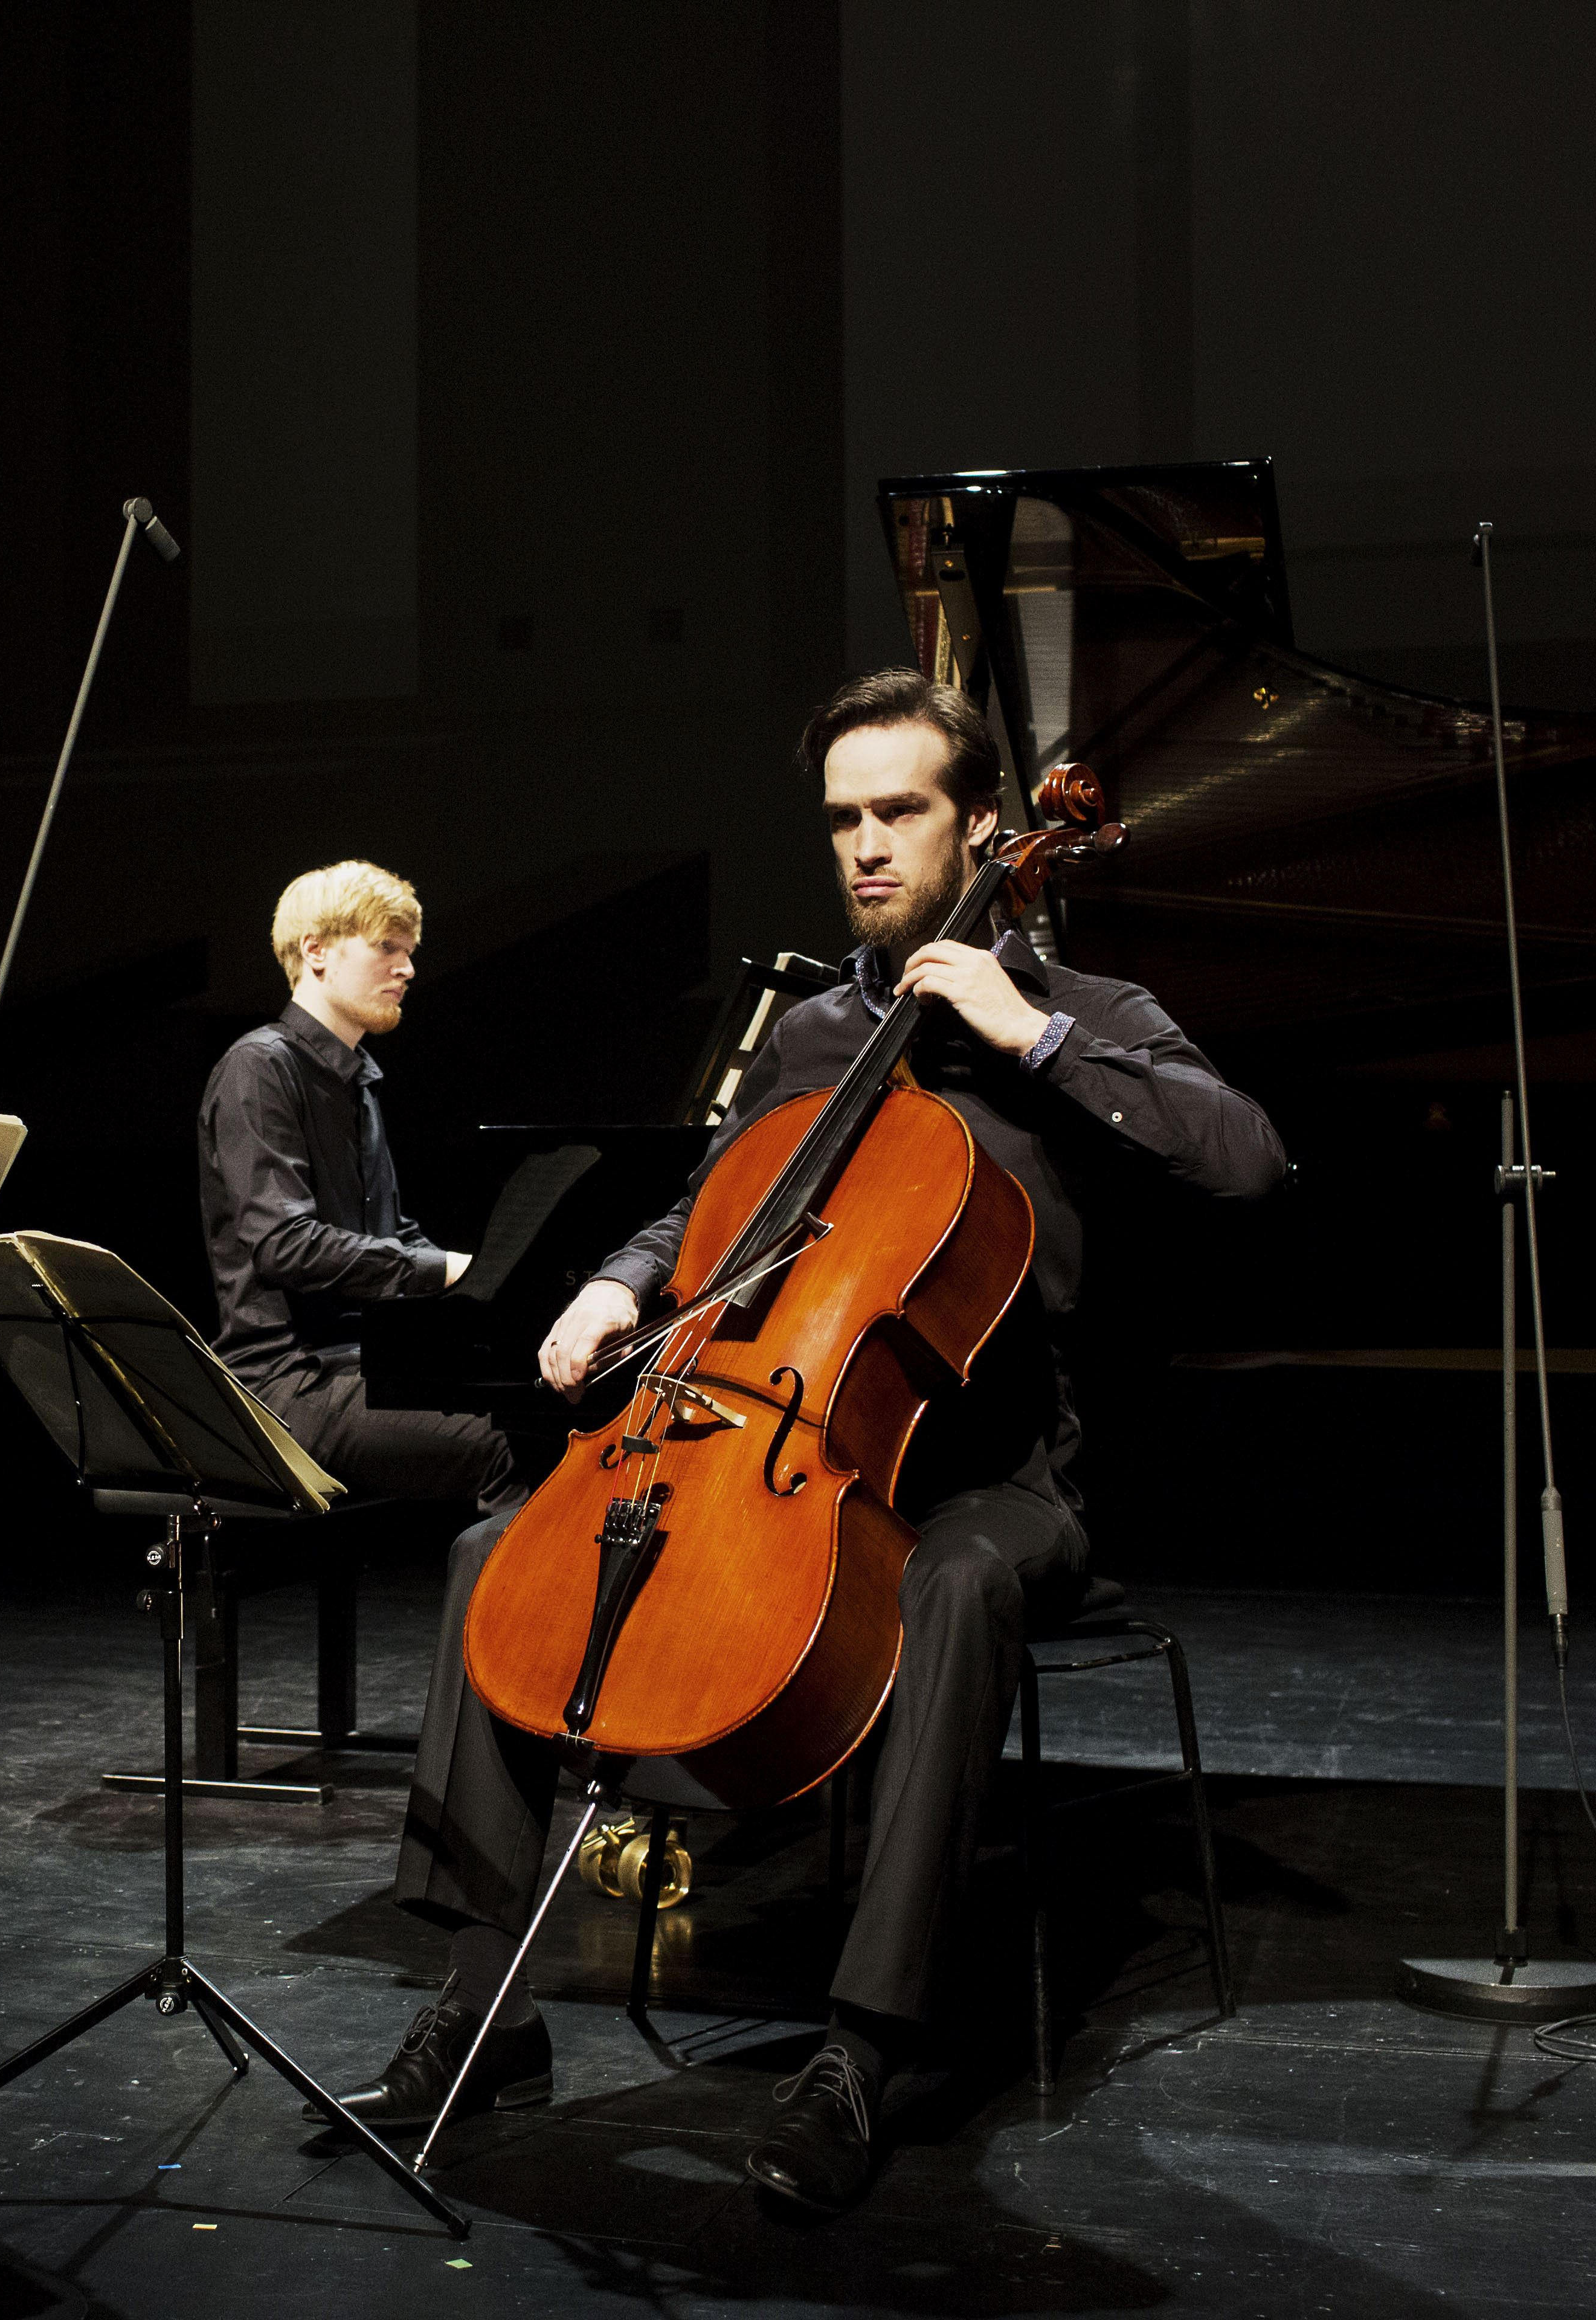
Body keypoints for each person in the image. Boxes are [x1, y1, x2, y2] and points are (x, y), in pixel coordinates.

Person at [321, 672, 1287, 2210]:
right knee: (494, 1552)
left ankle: (864, 2044)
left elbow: (1246, 1157)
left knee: (953, 1587)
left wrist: (1030, 1036)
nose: (866, 845)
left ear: (983, 827)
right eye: (843, 817)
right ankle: (483, 1999)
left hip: (995, 1472)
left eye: (898, 811)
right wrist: (619, 1279)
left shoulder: (1081, 1011)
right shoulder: (821, 1028)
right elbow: (713, 1206)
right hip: (784, 1439)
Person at [197, 860, 520, 1518]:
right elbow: (284, 1246)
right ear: (315, 952)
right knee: (514, 1443)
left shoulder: (358, 1080)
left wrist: (496, 1285)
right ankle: (495, 1623)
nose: (406, 969)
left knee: (557, 1410)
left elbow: (391, 1236)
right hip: (285, 1381)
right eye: (386, 948)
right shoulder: (257, 1068)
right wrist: (446, 1270)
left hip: (363, 1363)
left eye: (408, 952)